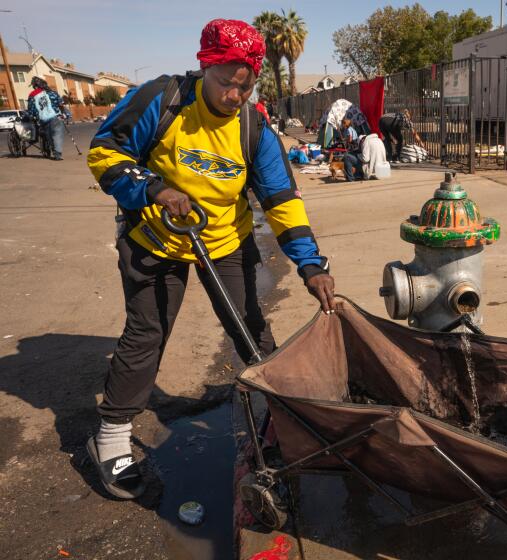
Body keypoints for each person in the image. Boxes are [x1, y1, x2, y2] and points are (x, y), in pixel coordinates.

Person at [85, 18, 336, 499]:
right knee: (147, 332)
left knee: (252, 328)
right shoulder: (162, 100)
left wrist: (309, 264)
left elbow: (280, 197)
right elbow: (105, 152)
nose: (234, 95)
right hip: (155, 236)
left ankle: (278, 417)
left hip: (223, 238)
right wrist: (155, 188)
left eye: (245, 86)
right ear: (206, 68)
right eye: (225, 83)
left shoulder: (252, 124)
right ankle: (112, 437)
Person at [27, 76, 67, 160]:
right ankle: (58, 153)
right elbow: (61, 105)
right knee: (57, 135)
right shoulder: (53, 93)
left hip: (43, 119)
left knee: (49, 136)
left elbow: (31, 110)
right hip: (56, 117)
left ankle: (55, 152)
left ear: (35, 86)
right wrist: (63, 113)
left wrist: (32, 116)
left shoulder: (32, 95)